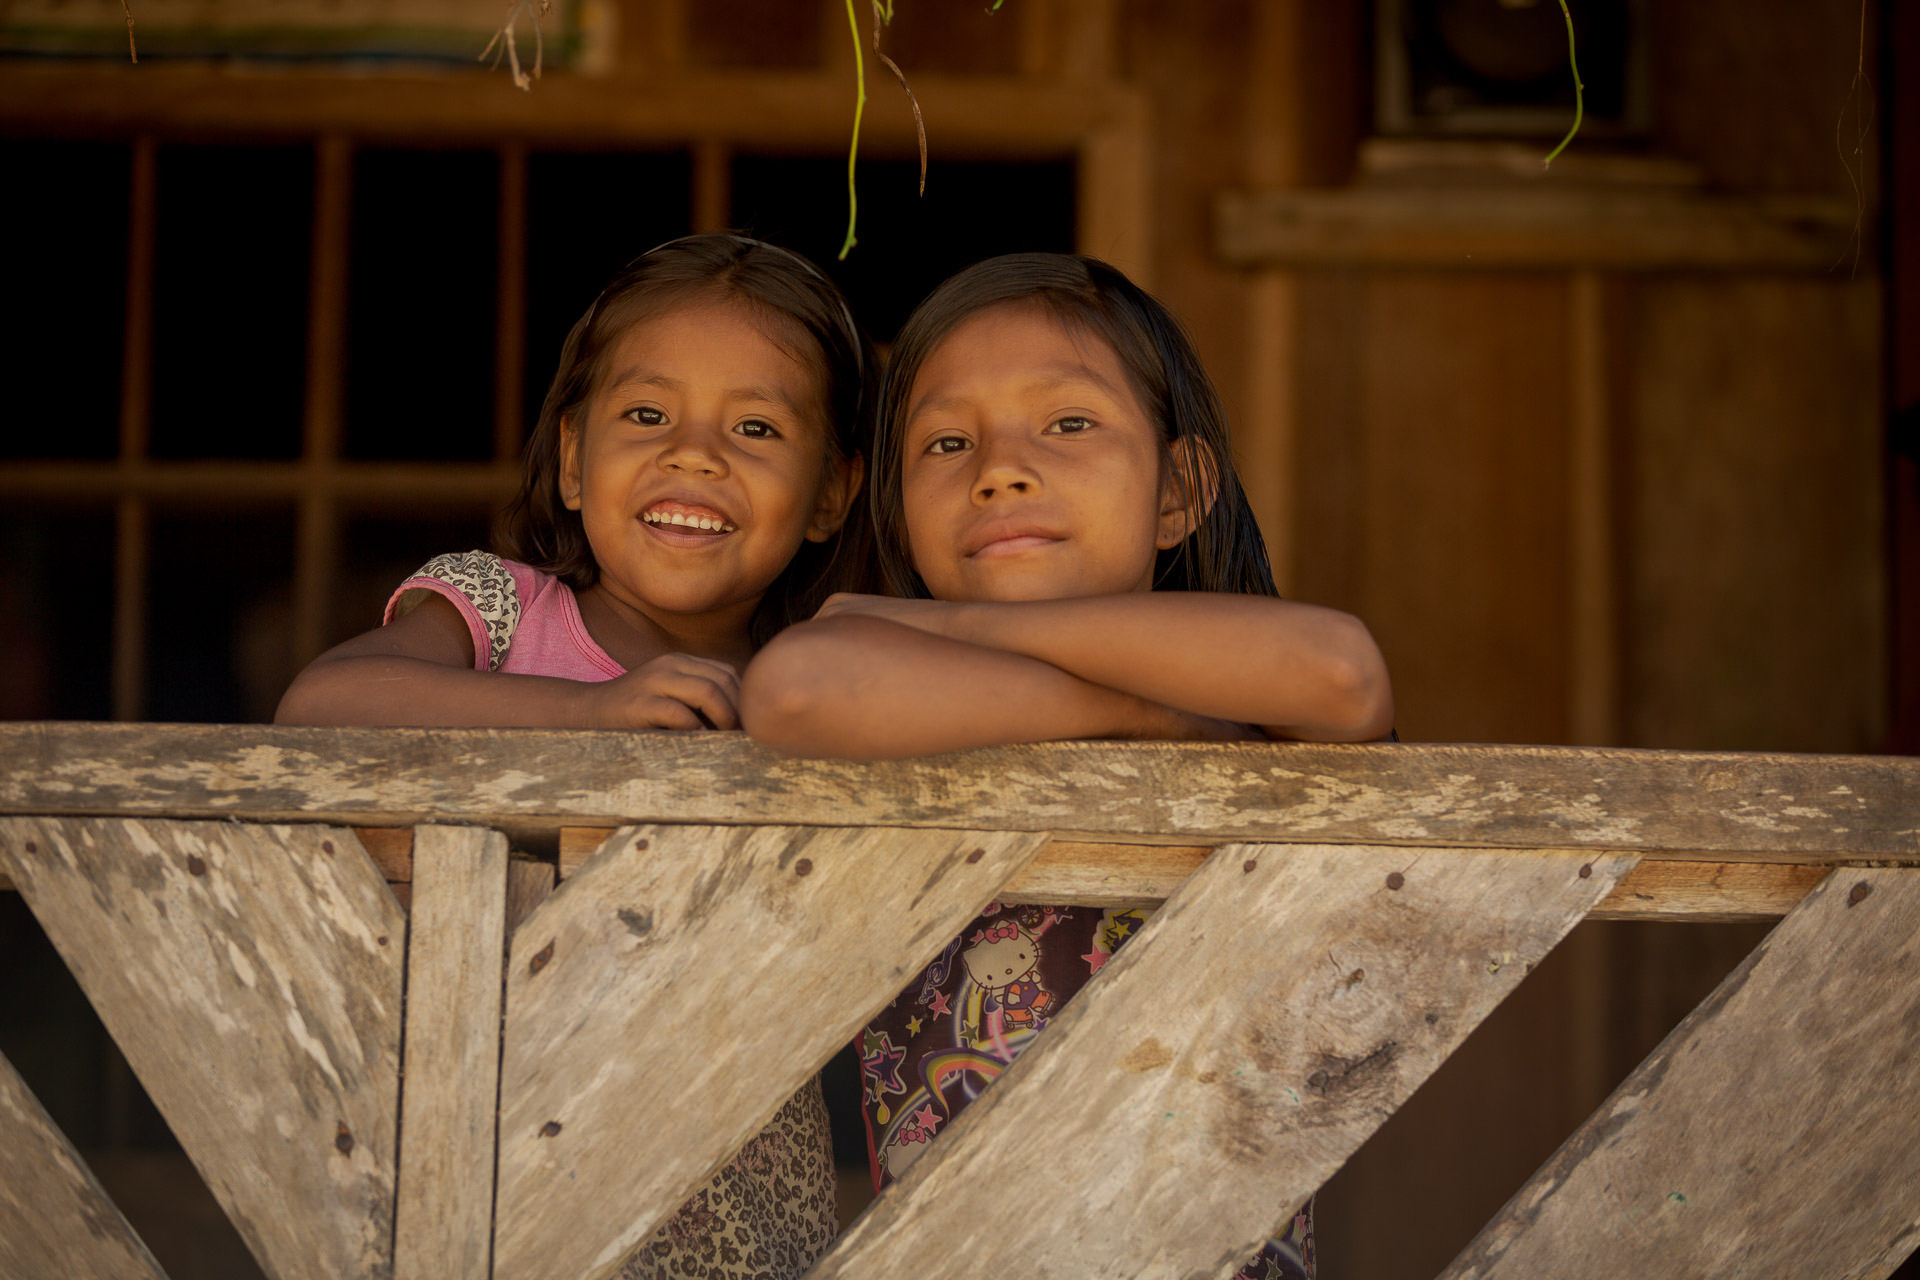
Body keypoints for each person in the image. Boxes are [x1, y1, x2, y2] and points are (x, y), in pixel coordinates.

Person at [740, 252, 1393, 1279]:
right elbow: (795, 688)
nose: (1000, 468)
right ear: (903, 518)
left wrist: (947, 621)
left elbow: (1344, 673)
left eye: (1069, 423)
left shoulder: (1240, 664)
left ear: (1180, 490)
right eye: (948, 442)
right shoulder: (908, 668)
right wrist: (1149, 715)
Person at [277, 232, 872, 1279]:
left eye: (756, 426)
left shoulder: (828, 680)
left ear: (832, 492)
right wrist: (594, 712)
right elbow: (319, 705)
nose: (695, 453)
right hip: (465, 1141)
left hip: (732, 1164)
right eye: (646, 415)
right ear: (569, 458)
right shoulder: (498, 612)